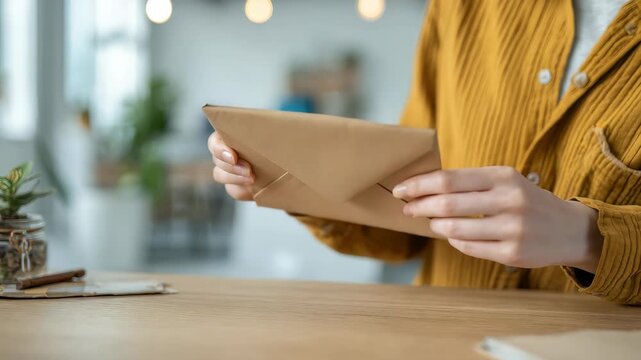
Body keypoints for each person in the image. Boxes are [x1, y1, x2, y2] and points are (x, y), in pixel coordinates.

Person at [208, 0, 641, 305]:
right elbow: (403, 223)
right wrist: (283, 175)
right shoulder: (459, 7)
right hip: (437, 342)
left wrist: (590, 239)